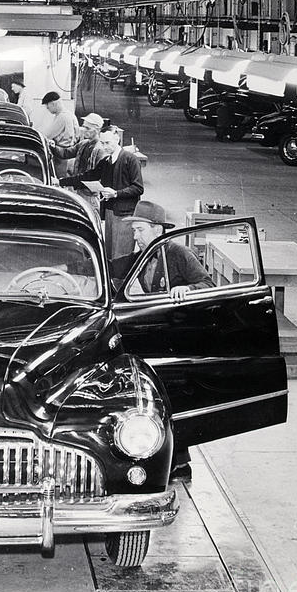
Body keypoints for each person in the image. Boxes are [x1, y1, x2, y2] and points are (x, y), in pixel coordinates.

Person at [120, 200, 215, 481]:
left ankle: (181, 463)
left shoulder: (178, 253)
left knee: (173, 399)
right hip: (148, 334)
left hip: (174, 336)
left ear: (157, 229)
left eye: (139, 230)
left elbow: (207, 285)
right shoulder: (141, 256)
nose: (134, 236)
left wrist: (187, 288)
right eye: (134, 230)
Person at [59, 127, 144, 260]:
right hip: (110, 213)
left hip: (125, 216)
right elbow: (88, 176)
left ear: (117, 139)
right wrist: (61, 182)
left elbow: (138, 188)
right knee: (110, 254)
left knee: (121, 256)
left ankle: (120, 281)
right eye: (102, 143)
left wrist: (116, 193)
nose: (104, 147)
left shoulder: (130, 159)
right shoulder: (106, 161)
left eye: (108, 143)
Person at [50, 112, 105, 178]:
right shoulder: (83, 144)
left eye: (88, 128)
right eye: (83, 127)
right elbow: (65, 153)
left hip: (89, 185)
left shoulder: (100, 149)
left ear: (98, 130)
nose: (84, 130)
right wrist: (53, 146)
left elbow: (97, 174)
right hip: (79, 184)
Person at [37, 91, 78, 177]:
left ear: (53, 104)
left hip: (62, 155)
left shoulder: (62, 117)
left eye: (48, 107)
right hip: (71, 154)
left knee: (60, 180)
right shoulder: (70, 114)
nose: (48, 109)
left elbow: (48, 134)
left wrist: (36, 133)